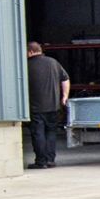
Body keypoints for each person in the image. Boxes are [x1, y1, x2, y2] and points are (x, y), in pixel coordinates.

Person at [26, 41, 70, 169]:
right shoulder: (53, 62)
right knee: (51, 133)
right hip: (54, 106)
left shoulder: (26, 65)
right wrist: (64, 96)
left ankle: (41, 161)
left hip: (35, 108)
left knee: (38, 134)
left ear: (30, 51)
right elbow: (65, 79)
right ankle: (50, 160)